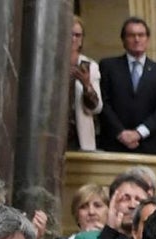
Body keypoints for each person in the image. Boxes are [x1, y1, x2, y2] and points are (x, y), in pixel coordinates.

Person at [97, 17, 156, 154]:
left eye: (141, 35)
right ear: (123, 40)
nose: (137, 39)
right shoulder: (108, 66)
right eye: (131, 35)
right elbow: (103, 103)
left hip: (148, 145)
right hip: (114, 143)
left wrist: (139, 133)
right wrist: (120, 133)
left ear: (147, 39)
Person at [67, 15, 102, 151]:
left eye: (77, 35)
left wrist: (86, 84)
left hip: (79, 136)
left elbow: (96, 108)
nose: (73, 39)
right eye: (70, 34)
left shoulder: (88, 66)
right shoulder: (49, 62)